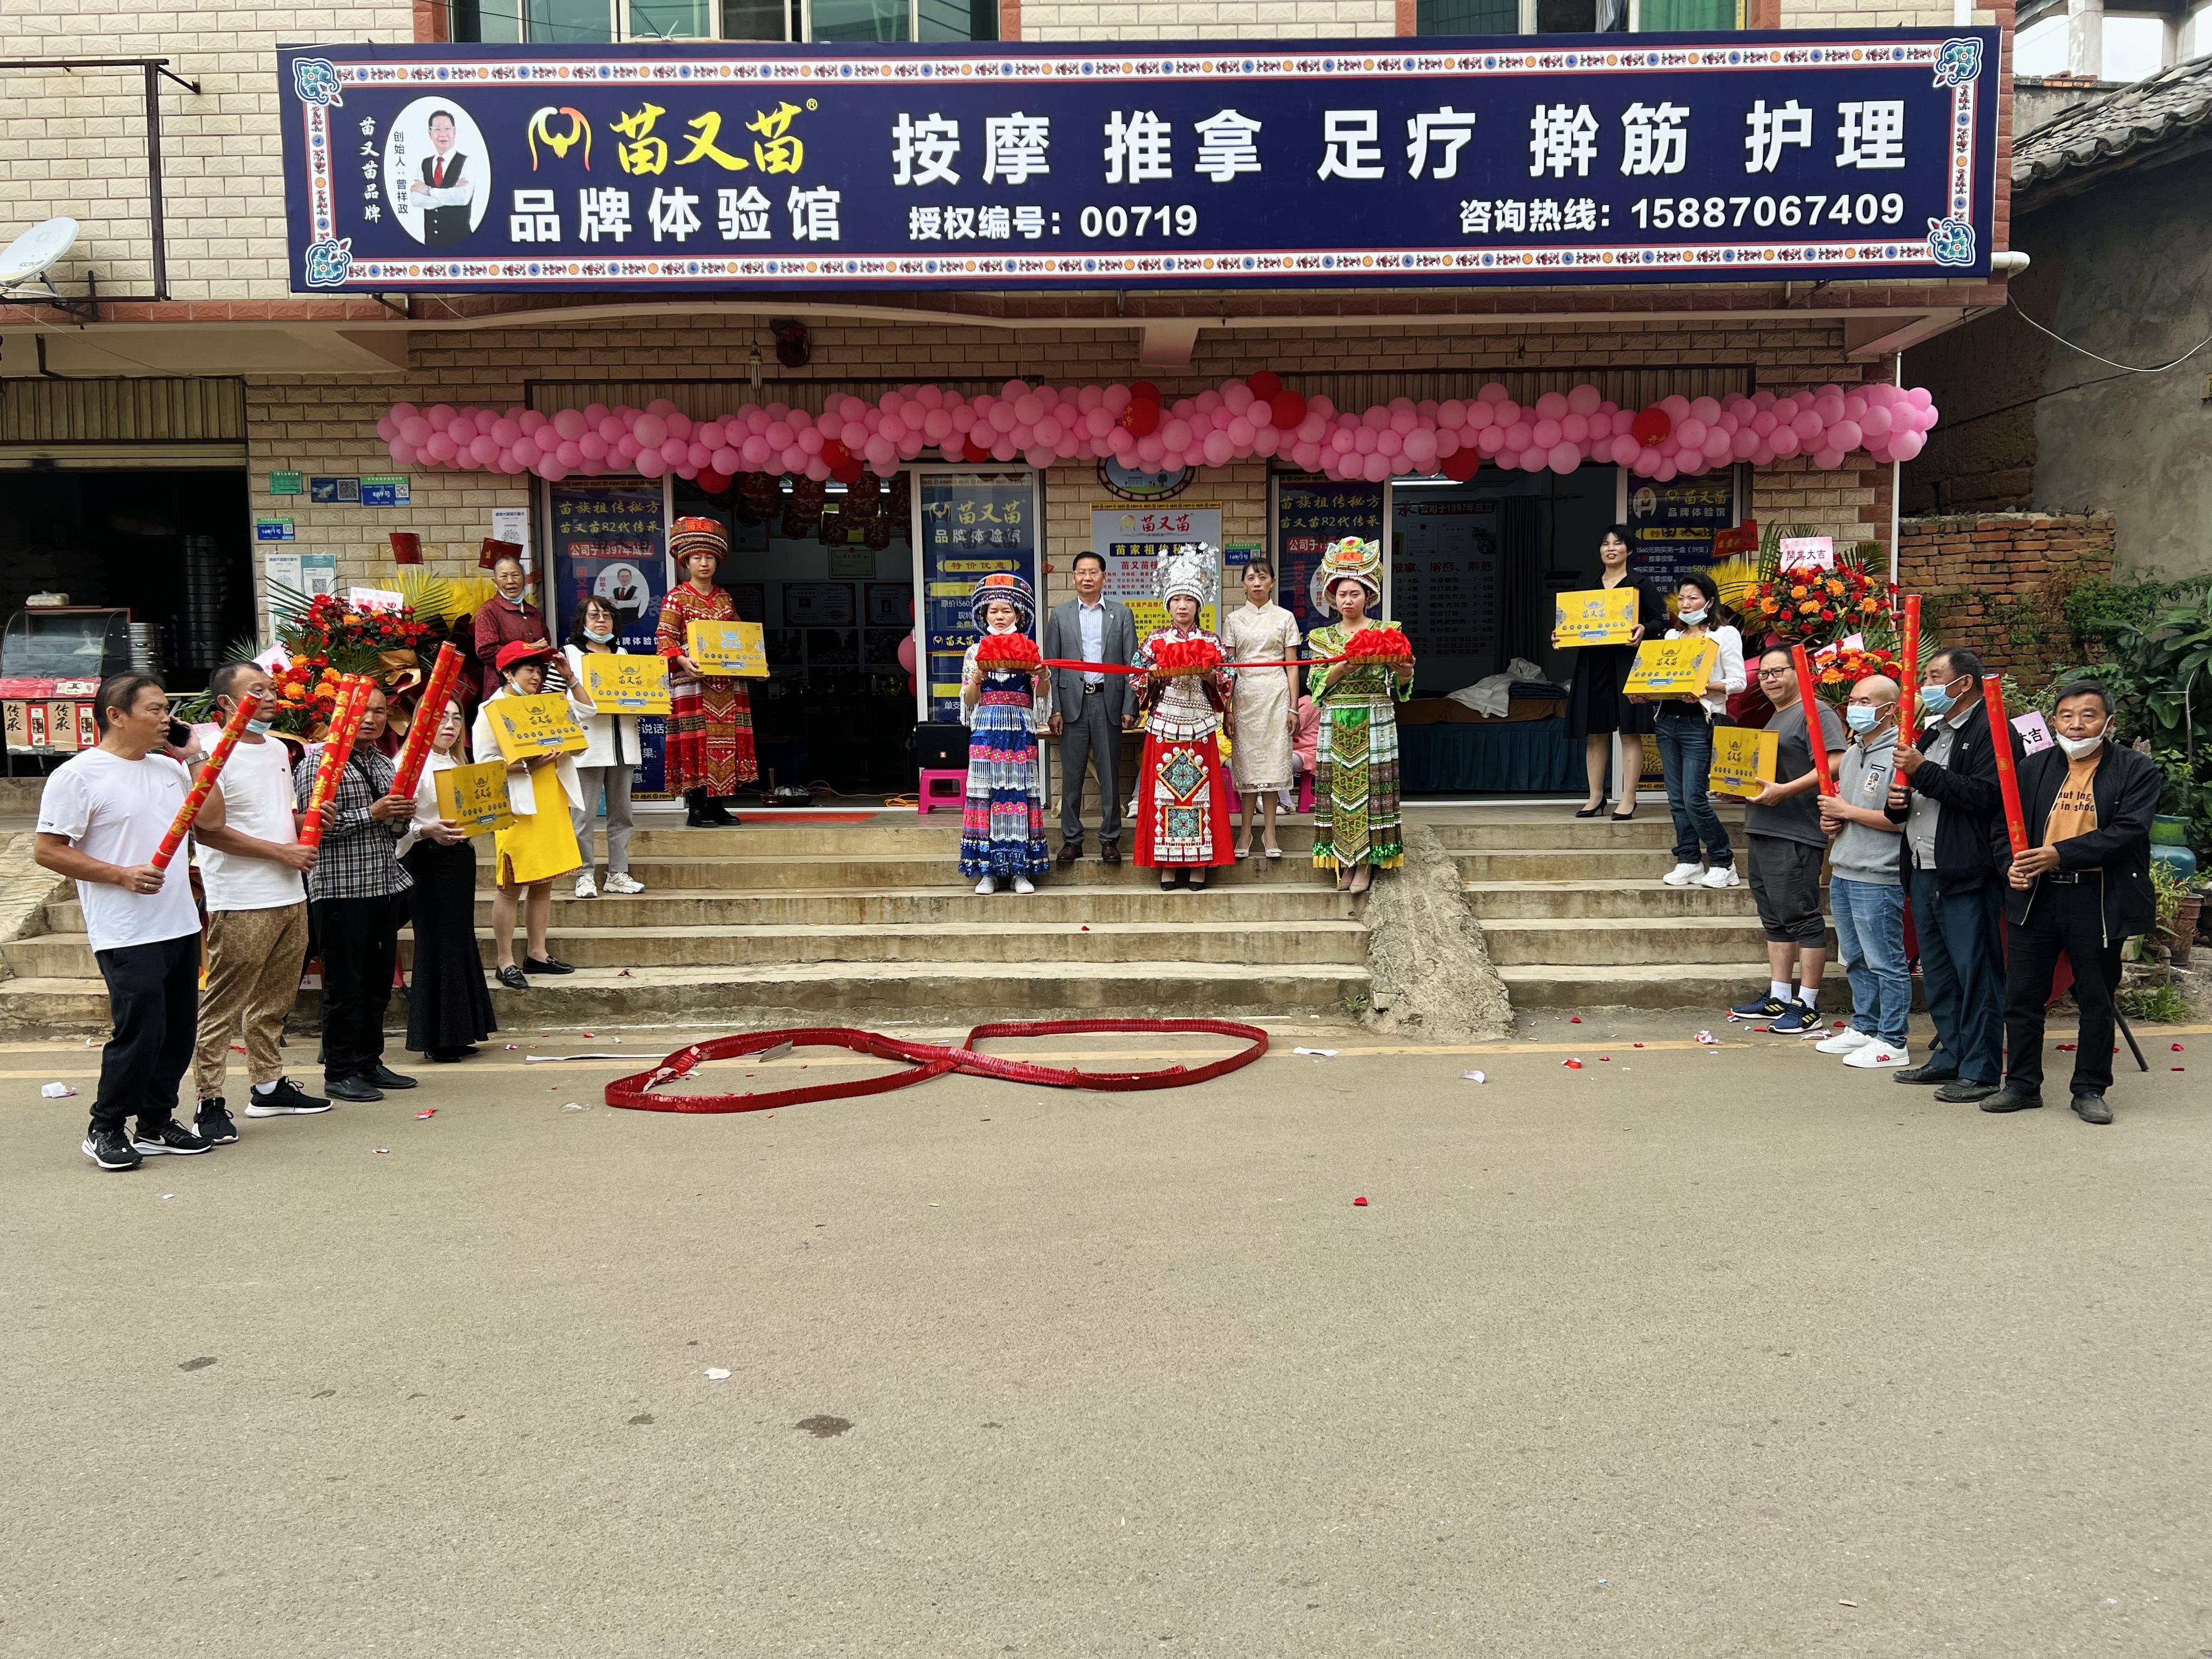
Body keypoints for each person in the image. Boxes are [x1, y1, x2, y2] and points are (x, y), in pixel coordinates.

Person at [35, 674, 216, 1170]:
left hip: (179, 921)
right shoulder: (78, 776)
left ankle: (156, 1122)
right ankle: (106, 1127)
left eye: (167, 709)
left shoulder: (169, 769)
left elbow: (212, 821)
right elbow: (48, 851)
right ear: (116, 715)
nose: (167, 719)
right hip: (125, 928)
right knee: (141, 1031)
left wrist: (195, 756)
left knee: (178, 1032)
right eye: (155, 709)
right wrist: (120, 874)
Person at [1984, 681, 2160, 1124]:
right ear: (2053, 722)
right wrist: (2010, 866)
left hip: (2097, 896)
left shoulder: (2136, 769)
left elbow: (2128, 831)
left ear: (2109, 723)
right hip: (2036, 896)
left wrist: (2060, 854)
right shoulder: (2033, 767)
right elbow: (2004, 826)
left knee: (2096, 999)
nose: (2076, 725)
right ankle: (2022, 1085)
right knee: (2023, 996)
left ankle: (2089, 1088)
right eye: (2066, 716)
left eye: (2088, 715)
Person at [189, 660, 328, 1138]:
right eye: (256, 690)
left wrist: (308, 823)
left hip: (289, 890)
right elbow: (208, 832)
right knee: (223, 1005)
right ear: (226, 703)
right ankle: (209, 1100)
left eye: (271, 688)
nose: (269, 697)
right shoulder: (210, 753)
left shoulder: (276, 749)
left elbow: (274, 817)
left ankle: (268, 1087)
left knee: (275, 999)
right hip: (241, 896)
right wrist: (281, 853)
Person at [1887, 647, 2012, 1102]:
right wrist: (1897, 803)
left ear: (1965, 683)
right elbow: (1916, 793)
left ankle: (1981, 1070)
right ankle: (1950, 1056)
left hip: (1965, 871)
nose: (1926, 685)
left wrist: (1922, 772)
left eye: (1935, 676)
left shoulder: (1992, 729)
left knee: (1975, 972)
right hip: (1923, 867)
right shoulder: (1932, 730)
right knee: (1939, 972)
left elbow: (1986, 795)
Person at [292, 684, 417, 1104]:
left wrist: (402, 816)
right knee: (345, 985)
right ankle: (340, 1071)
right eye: (363, 710)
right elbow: (314, 827)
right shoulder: (319, 763)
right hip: (339, 889)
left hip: (383, 884)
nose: (371, 719)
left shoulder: (383, 762)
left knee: (377, 983)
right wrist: (373, 813)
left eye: (380, 711)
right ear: (342, 712)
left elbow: (393, 829)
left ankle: (369, 1061)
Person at [1728, 647, 1846, 1036]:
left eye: (1778, 671)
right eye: (1764, 674)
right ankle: (1779, 995)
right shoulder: (1776, 716)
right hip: (1764, 826)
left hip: (1796, 830)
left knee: (1801, 918)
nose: (1770, 679)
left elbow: (1835, 762)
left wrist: (1786, 790)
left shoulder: (1816, 712)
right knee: (1774, 918)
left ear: (1800, 672)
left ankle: (1807, 1003)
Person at [1307, 537, 1415, 895]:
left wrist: (1405, 671)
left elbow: (1401, 683)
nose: (1348, 600)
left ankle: (1367, 862)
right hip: (1337, 719)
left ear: (1368, 595)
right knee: (1340, 791)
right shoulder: (1321, 637)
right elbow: (1316, 685)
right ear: (1332, 597)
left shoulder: (1387, 632)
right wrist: (1342, 668)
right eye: (1342, 594)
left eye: (1355, 593)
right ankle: (1345, 860)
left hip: (1375, 716)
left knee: (1371, 788)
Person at [1814, 675, 1911, 1069]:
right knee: (1854, 958)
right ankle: (1865, 1027)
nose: (1856, 708)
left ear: (1890, 710)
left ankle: (1893, 1039)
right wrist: (1833, 822)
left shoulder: (1902, 756)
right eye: (1853, 700)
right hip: (1844, 868)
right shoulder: (1853, 752)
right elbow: (1846, 812)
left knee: (1885, 961)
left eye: (1866, 702)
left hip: (1879, 873)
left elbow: (1902, 822)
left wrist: (1847, 812)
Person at [474, 642, 584, 990]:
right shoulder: (491, 709)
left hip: (551, 798)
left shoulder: (548, 704)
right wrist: (526, 766)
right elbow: (484, 763)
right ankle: (504, 960)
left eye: (539, 671)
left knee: (544, 882)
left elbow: (587, 714)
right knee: (511, 887)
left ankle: (537, 952)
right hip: (519, 806)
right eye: (528, 670)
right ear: (508, 673)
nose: (536, 677)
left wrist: (570, 678)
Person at [1132, 544, 1237, 892]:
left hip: (1200, 723)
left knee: (1198, 794)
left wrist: (1210, 675)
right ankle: (1167, 864)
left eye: (1189, 600)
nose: (1182, 606)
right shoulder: (1154, 641)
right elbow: (1136, 675)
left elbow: (1228, 678)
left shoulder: (1212, 642)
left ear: (1198, 605)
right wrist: (1152, 676)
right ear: (1168, 605)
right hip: (1165, 722)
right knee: (1165, 794)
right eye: (1176, 599)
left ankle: (1198, 864)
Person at [399, 704, 498, 1064]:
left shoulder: (457, 762)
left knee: (459, 940)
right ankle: (436, 1038)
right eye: (441, 717)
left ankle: (460, 1032)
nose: (450, 725)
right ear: (422, 720)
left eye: (456, 718)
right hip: (427, 859)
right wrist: (425, 830)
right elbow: (395, 821)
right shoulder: (409, 763)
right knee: (436, 943)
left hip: (459, 858)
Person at [1556, 523, 1666, 821]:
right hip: (1594, 665)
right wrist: (1562, 636)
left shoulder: (1641, 584)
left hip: (1627, 664)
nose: (1611, 548)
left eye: (1617, 543)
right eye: (1605, 544)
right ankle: (1595, 797)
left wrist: (1645, 629)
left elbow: (1660, 622)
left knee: (1630, 732)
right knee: (1596, 733)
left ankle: (1628, 797)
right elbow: (1574, 624)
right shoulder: (1588, 586)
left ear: (1629, 550)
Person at [656, 516, 757, 828]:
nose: (704, 563)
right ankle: (696, 807)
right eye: (697, 557)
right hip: (693, 682)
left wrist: (756, 664)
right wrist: (682, 660)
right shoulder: (676, 597)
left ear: (717, 561)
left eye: (709, 557)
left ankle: (718, 805)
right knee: (695, 741)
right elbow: (664, 638)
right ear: (686, 562)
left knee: (724, 743)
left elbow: (742, 639)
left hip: (726, 685)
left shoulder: (724, 598)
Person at [1650, 570, 1746, 888]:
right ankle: (1689, 860)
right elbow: (1664, 680)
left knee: (1694, 798)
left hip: (1699, 723)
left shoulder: (1725, 634)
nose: (1686, 604)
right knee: (1677, 799)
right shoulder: (1671, 637)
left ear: (1709, 601)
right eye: (1681, 598)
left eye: (1693, 598)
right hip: (1667, 721)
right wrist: (1645, 693)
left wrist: (1705, 687)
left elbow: (1739, 682)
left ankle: (1723, 861)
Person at [1043, 549, 1138, 868]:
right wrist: (1055, 709)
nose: (1087, 578)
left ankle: (1110, 839)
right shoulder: (1061, 615)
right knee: (1072, 775)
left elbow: (1131, 664)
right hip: (1073, 703)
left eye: (1093, 572)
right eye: (1081, 572)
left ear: (1104, 577)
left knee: (1110, 774)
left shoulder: (1121, 614)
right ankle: (1072, 840)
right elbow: (1053, 666)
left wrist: (1130, 705)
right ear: (1074, 578)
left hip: (1107, 701)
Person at [957, 572, 1051, 896]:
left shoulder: (1030, 649)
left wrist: (1044, 675)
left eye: (1006, 611)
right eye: (993, 611)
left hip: (1020, 729)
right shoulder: (975, 652)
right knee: (986, 796)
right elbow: (970, 701)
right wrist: (977, 679)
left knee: (1019, 796)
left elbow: (1041, 697)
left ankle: (1020, 872)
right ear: (984, 616)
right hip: (986, 729)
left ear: (1018, 615)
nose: (1000, 617)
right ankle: (987, 873)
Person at [563, 594, 645, 899]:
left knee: (622, 814)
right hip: (587, 744)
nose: (601, 621)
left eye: (607, 616)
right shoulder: (568, 654)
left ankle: (618, 873)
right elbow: (555, 700)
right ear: (582, 621)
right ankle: (584, 874)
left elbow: (641, 693)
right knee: (583, 815)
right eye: (594, 615)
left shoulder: (623, 654)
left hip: (624, 742)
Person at [1224, 557, 1301, 860]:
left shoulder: (1285, 618)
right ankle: (1245, 832)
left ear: (1272, 582)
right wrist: (1227, 709)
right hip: (1245, 699)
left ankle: (1270, 833)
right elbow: (1228, 670)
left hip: (1276, 695)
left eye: (1263, 577)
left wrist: (1294, 708)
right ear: (1244, 583)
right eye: (1251, 578)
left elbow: (1292, 666)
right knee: (1248, 770)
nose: (1257, 583)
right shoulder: (1233, 620)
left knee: (1272, 768)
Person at [473, 551, 554, 691]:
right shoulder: (489, 610)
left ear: (524, 579)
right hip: (503, 687)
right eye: (504, 577)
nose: (510, 581)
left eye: (515, 575)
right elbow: (486, 651)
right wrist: (528, 649)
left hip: (535, 686)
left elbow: (546, 644)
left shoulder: (533, 612)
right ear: (495, 582)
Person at [407, 108, 477, 247]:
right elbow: (416, 200)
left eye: (447, 129)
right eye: (438, 129)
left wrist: (428, 191)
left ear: (454, 132)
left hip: (461, 242)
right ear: (430, 133)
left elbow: (463, 198)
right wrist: (451, 194)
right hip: (430, 242)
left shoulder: (468, 163)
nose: (443, 134)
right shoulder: (425, 163)